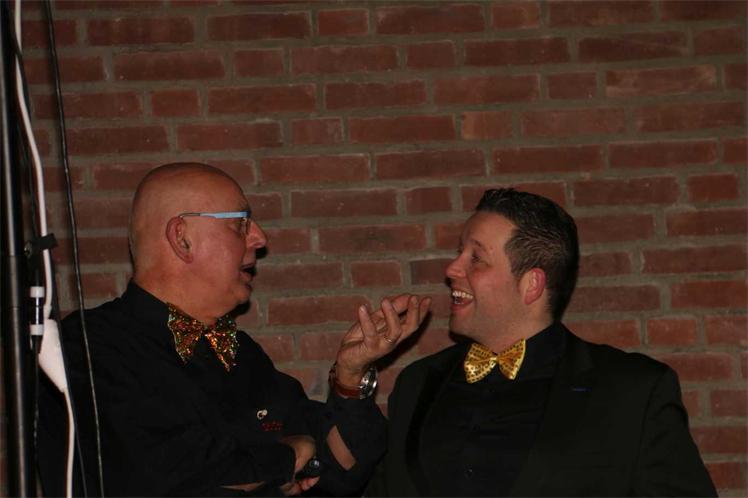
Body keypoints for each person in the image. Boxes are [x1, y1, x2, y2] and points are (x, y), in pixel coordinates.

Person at [38, 162, 430, 497]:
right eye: (240, 224)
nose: (260, 238)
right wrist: (290, 456)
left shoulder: (240, 353)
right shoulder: (90, 346)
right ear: (182, 238)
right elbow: (178, 478)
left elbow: (341, 470)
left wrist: (350, 378)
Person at [367, 188, 716, 497]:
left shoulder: (632, 392)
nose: (452, 269)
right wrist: (350, 378)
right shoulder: (417, 384)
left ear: (531, 285)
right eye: (460, 253)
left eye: (476, 258)